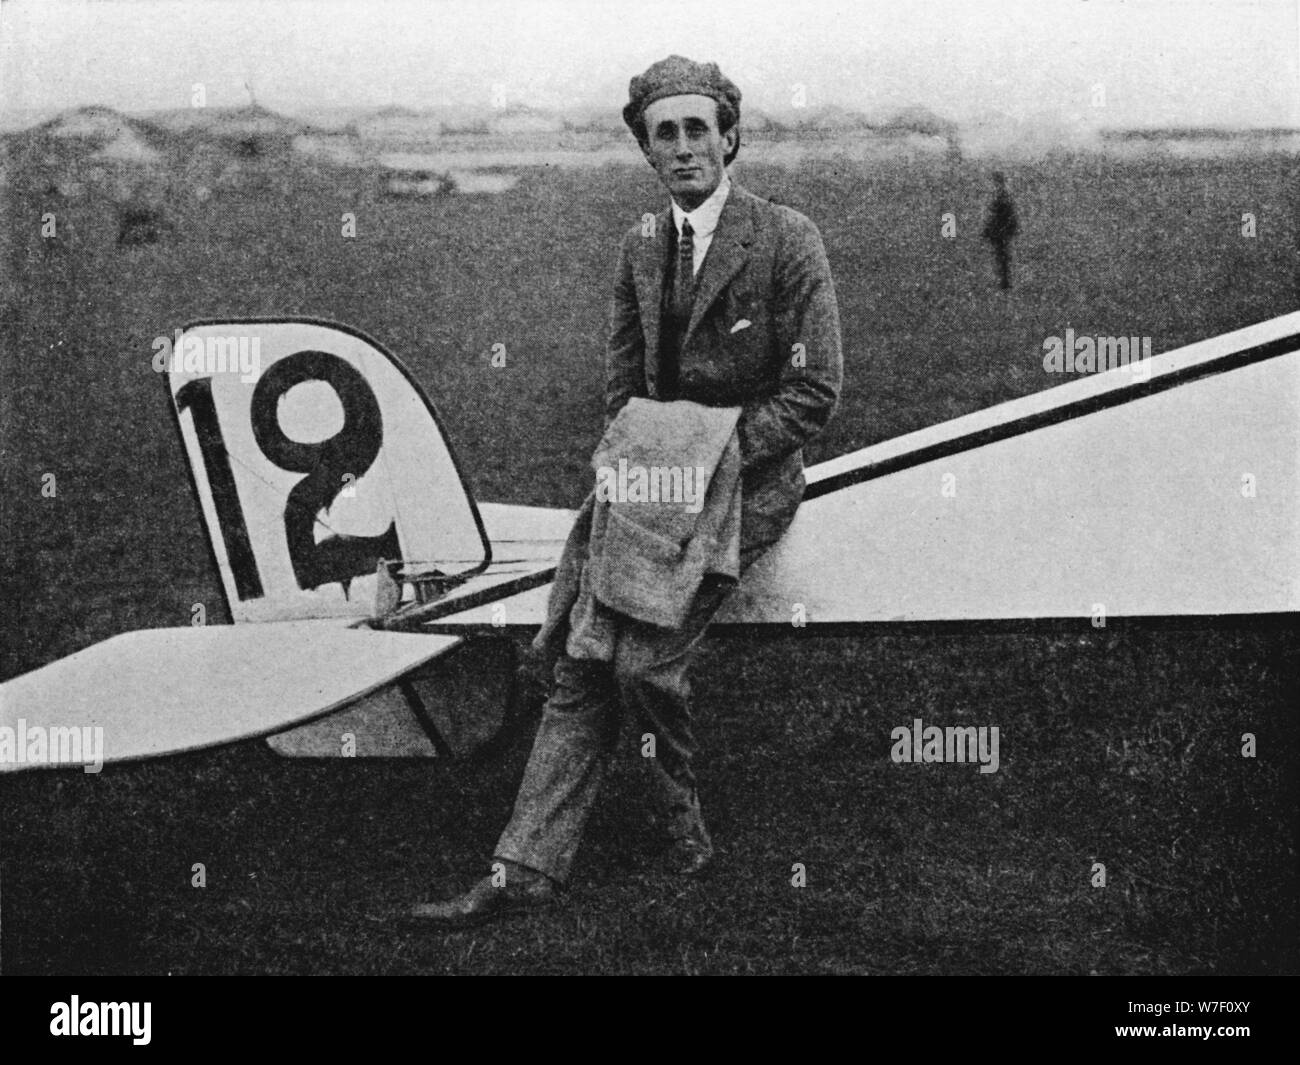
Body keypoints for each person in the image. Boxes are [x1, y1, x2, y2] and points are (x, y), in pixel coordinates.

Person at [409, 55, 843, 926]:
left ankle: (676, 811)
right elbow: (620, 386)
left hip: (746, 485)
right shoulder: (640, 246)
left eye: (697, 130)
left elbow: (814, 392)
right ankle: (519, 869)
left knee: (645, 663)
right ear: (647, 151)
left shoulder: (788, 238)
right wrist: (644, 462)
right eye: (663, 134)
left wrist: (706, 459)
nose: (683, 148)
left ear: (731, 138)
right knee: (578, 658)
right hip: (644, 481)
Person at [982, 170, 1019, 290]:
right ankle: (1004, 281)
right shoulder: (1003, 194)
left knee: (1002, 256)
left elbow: (999, 214)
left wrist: (991, 228)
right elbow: (1007, 214)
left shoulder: (1001, 195)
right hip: (1001, 230)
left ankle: (1005, 282)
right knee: (1002, 256)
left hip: (1000, 231)